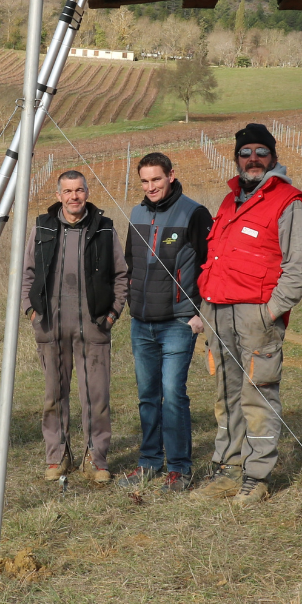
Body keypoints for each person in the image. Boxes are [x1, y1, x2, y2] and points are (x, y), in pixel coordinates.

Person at [192, 123, 302, 506]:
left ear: (273, 157)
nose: (253, 159)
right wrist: (205, 306)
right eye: (246, 153)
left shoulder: (289, 200)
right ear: (236, 158)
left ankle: (257, 476)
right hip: (218, 311)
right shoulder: (230, 201)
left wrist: (271, 311)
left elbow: (298, 266)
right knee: (226, 394)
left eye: (261, 152)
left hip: (256, 316)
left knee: (257, 393)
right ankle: (229, 468)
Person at [21, 171, 128, 485]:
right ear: (59, 195)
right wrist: (31, 312)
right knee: (54, 395)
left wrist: (111, 316)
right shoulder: (41, 227)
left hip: (94, 329)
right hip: (51, 328)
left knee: (96, 397)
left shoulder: (105, 228)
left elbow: (121, 276)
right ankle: (57, 457)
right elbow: (27, 274)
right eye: (67, 191)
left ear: (87, 192)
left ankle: (97, 459)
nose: (74, 197)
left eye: (79, 190)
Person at [119, 152, 213, 492]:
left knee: (173, 394)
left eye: (156, 179)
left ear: (171, 175)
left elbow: (211, 265)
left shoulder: (194, 213)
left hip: (178, 322)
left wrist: (201, 313)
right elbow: (129, 263)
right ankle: (148, 463)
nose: (150, 187)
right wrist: (129, 301)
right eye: (144, 181)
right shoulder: (136, 213)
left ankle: (179, 468)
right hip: (141, 323)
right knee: (147, 395)